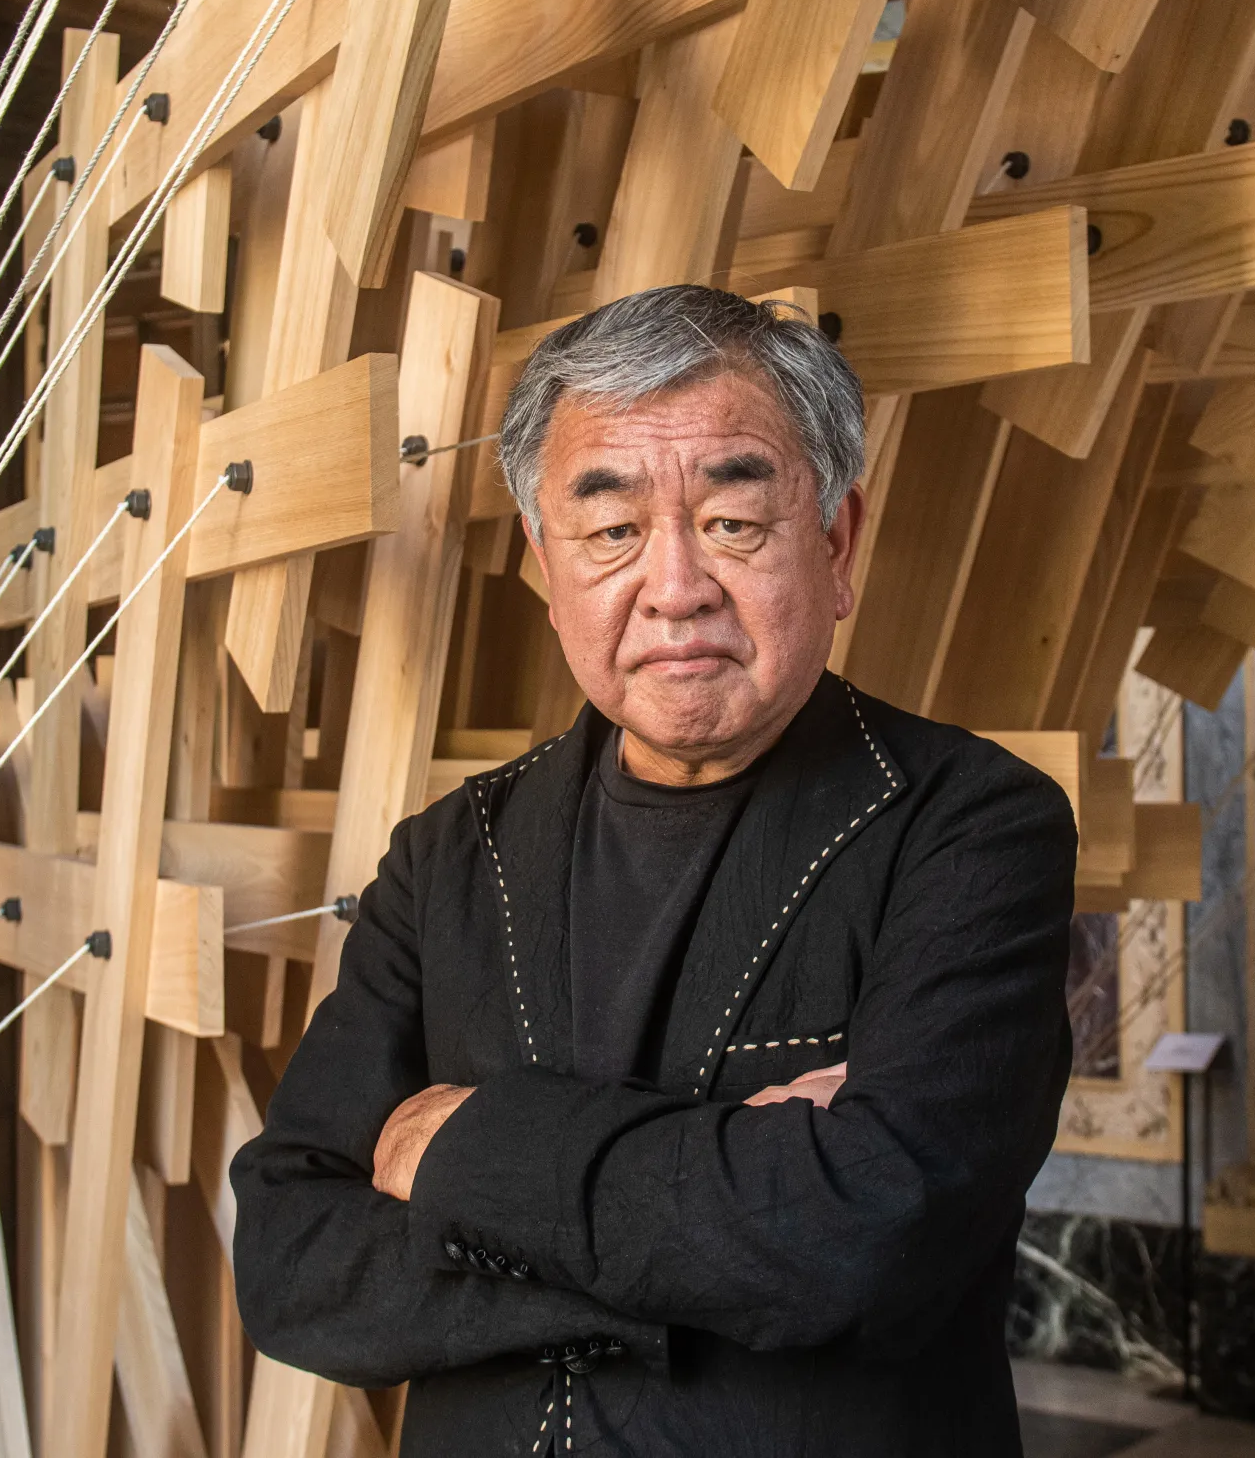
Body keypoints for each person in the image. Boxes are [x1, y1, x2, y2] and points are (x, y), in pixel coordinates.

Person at [230, 285, 1076, 1455]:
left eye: (732, 522)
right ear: (544, 562)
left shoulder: (969, 828)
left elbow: (867, 1235)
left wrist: (464, 1155)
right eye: (610, 528)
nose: (673, 586)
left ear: (834, 542)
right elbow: (292, 1263)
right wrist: (729, 1207)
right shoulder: (446, 858)